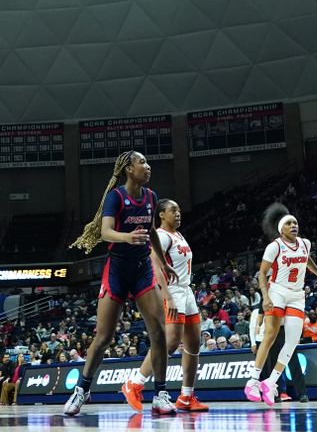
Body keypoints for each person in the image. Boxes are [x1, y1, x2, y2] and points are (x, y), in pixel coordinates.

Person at [64, 151, 178, 416]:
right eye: (143, 163)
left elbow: (151, 233)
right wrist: (126, 237)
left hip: (142, 271)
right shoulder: (115, 196)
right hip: (116, 270)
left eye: (148, 162)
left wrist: (162, 262)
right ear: (128, 168)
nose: (148, 167)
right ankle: (82, 390)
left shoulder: (150, 197)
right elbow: (105, 232)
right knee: (103, 337)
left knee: (159, 332)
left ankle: (160, 394)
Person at [244, 203, 317, 405]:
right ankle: (252, 381)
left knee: (293, 340)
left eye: (295, 222)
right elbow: (261, 273)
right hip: (277, 291)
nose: (294, 225)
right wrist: (266, 297)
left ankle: (270, 382)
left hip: (296, 295)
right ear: (281, 229)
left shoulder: (305, 244)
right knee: (269, 335)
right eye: (289, 223)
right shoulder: (275, 246)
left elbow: (308, 261)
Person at [122, 199, 209, 412]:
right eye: (173, 210)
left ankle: (186, 397)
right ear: (161, 214)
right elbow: (154, 264)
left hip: (185, 290)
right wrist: (168, 296)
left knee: (193, 345)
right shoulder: (161, 235)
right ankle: (134, 383)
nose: (178, 213)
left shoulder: (178, 235)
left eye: (179, 210)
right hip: (172, 291)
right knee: (170, 343)